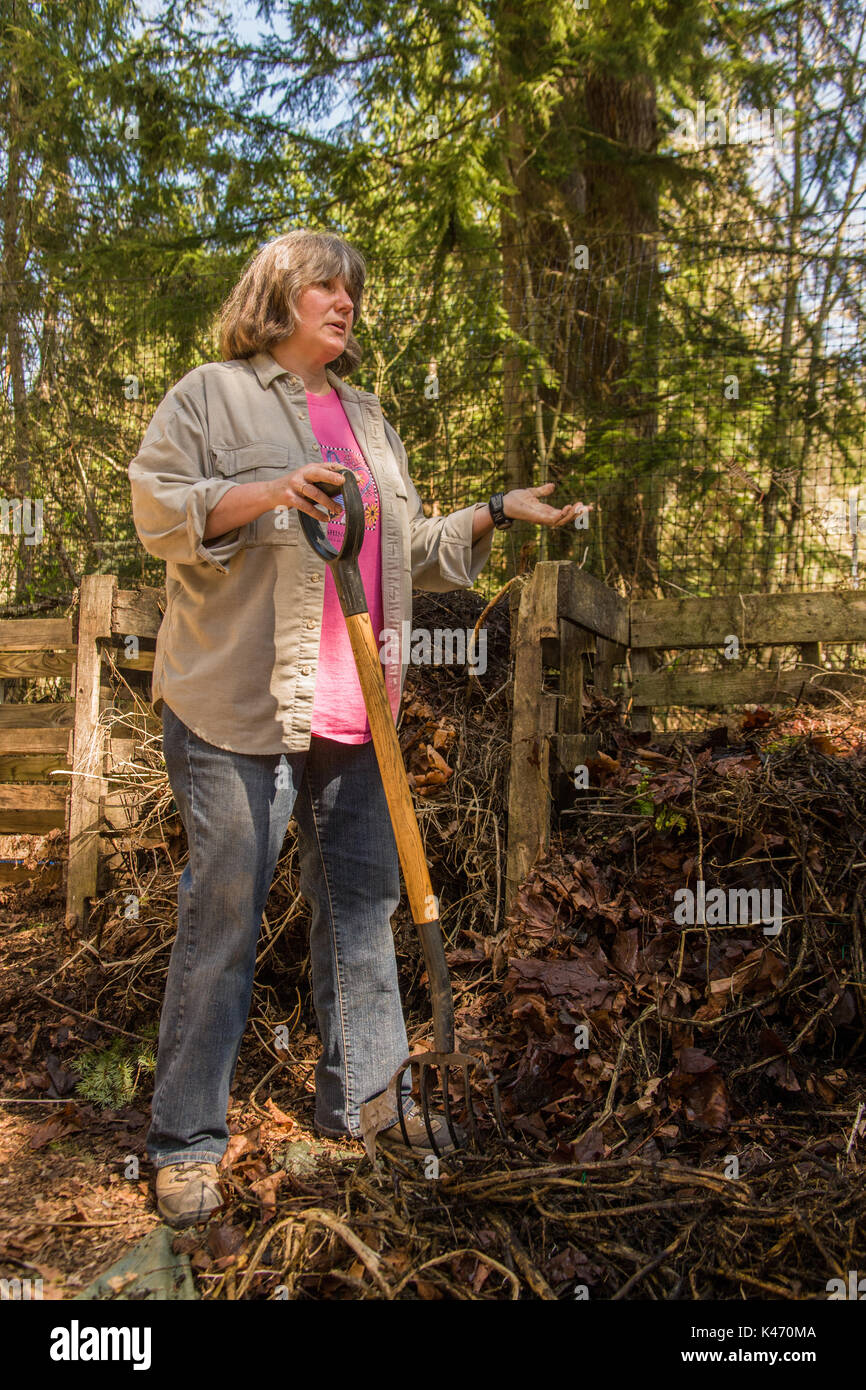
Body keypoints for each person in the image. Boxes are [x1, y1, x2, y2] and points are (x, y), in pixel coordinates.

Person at [128, 228, 589, 1227]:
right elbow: (158, 510)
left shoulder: (368, 418)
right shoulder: (212, 395)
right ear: (277, 295)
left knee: (362, 917)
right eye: (324, 286)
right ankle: (184, 1145)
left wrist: (493, 512)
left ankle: (370, 1110)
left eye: (352, 289)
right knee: (222, 922)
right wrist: (263, 494)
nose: (345, 301)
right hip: (234, 708)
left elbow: (399, 552)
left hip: (356, 712)